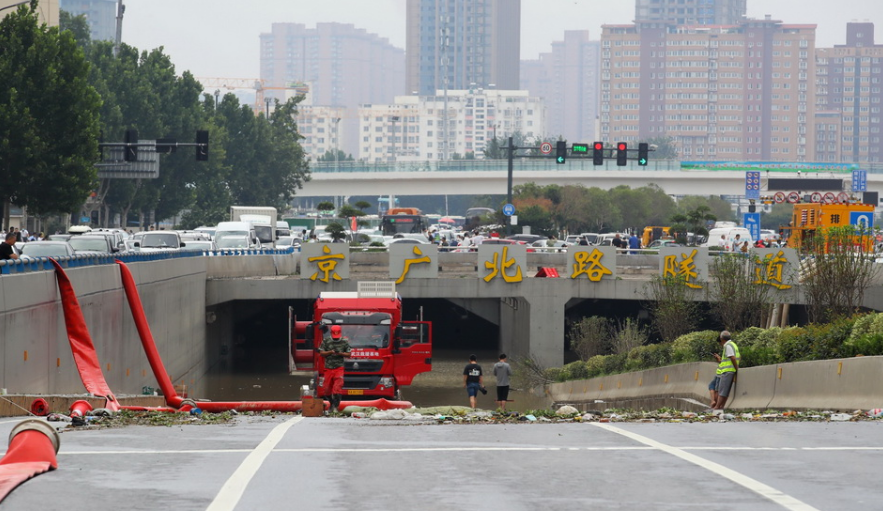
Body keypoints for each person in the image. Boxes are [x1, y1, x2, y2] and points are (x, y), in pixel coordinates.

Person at [318, 325, 352, 413]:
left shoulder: (344, 342)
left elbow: (349, 354)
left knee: (337, 387)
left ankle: (336, 407)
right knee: (326, 389)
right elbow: (321, 353)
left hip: (339, 367)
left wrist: (340, 353)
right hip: (328, 368)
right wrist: (330, 352)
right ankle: (331, 404)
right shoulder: (326, 341)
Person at [712, 330, 740, 411]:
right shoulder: (733, 345)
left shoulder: (727, 346)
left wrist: (736, 368)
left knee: (722, 390)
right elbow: (737, 357)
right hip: (729, 370)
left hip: (728, 371)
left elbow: (732, 357)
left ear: (721, 338)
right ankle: (721, 407)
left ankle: (717, 407)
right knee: (725, 390)